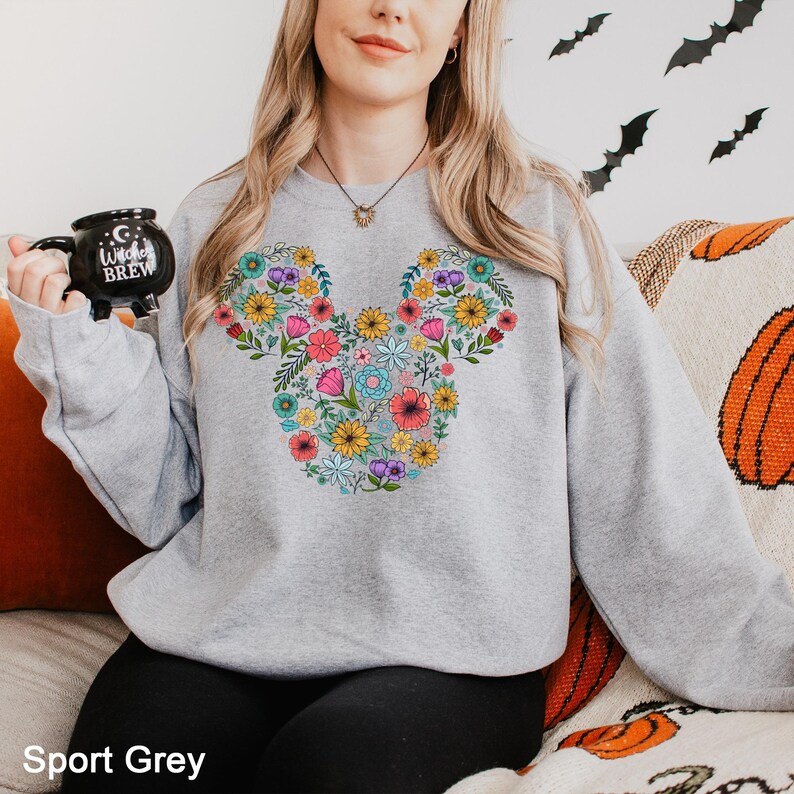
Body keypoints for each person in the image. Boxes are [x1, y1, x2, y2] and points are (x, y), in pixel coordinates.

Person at [6, 0, 793, 791]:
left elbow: (642, 470)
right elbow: (167, 497)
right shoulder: (215, 221)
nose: (390, 7)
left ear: (460, 29)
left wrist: (759, 637)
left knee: (329, 773)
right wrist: (76, 347)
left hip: (452, 654)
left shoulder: (535, 215)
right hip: (219, 632)